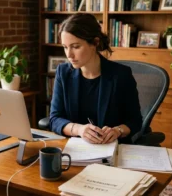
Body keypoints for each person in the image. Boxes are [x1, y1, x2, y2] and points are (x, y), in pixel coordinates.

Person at [49, 13, 143, 144]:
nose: (69, 55)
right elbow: (55, 119)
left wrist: (118, 131)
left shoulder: (121, 75)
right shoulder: (63, 73)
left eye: (75, 47)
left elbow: (135, 121)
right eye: (65, 47)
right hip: (76, 150)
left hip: (111, 150)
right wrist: (79, 129)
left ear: (95, 42)